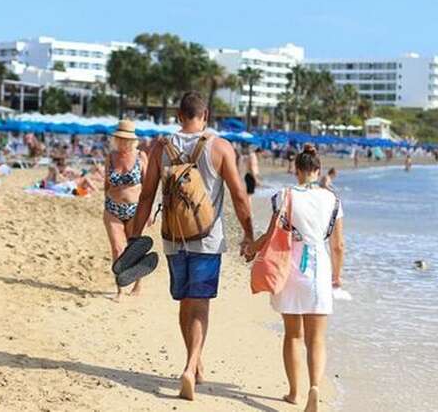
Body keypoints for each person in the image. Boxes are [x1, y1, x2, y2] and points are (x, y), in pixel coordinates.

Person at [129, 91, 253, 401]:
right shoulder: (220, 147)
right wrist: (249, 234)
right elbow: (239, 196)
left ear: (178, 115)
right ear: (206, 115)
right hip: (207, 239)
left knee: (185, 302)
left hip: (173, 237)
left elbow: (146, 196)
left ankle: (195, 364)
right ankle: (190, 365)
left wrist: (134, 238)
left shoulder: (161, 147)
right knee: (200, 304)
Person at [245, 144, 345, 412]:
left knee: (292, 335)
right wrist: (336, 275)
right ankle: (314, 387)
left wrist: (251, 248)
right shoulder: (333, 199)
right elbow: (338, 245)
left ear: (296, 171)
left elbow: (269, 234)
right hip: (319, 267)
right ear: (318, 170)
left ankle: (294, 393)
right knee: (317, 338)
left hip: (289, 265)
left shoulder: (284, 195)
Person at [103, 119, 149, 299]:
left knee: (135, 248)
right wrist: (104, 204)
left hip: (136, 209)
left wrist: (150, 210)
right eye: (120, 139)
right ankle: (120, 289)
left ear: (132, 140)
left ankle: (138, 285)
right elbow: (106, 185)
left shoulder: (141, 157)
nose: (123, 142)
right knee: (117, 249)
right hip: (112, 208)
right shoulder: (110, 157)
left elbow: (148, 185)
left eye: (126, 139)